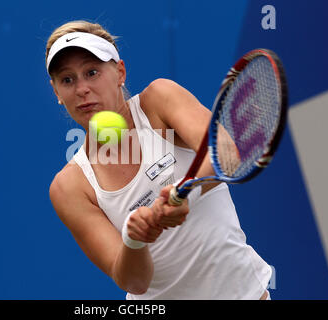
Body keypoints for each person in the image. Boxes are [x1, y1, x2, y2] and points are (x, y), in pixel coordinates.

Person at [46, 20, 272, 300]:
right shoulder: (69, 187)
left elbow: (225, 153)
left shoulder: (158, 102)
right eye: (67, 80)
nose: (81, 89)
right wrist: (135, 238)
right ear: (57, 93)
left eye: (92, 72)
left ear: (119, 72)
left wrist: (184, 196)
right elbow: (134, 282)